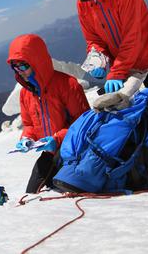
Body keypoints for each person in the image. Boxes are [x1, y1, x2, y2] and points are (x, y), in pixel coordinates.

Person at [7, 34, 90, 193]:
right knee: (31, 193)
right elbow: (29, 124)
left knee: (63, 190)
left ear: (36, 61)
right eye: (15, 67)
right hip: (50, 153)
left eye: (23, 65)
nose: (20, 71)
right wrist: (27, 138)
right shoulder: (26, 93)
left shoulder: (67, 85)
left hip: (75, 149)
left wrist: (57, 138)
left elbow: (83, 123)